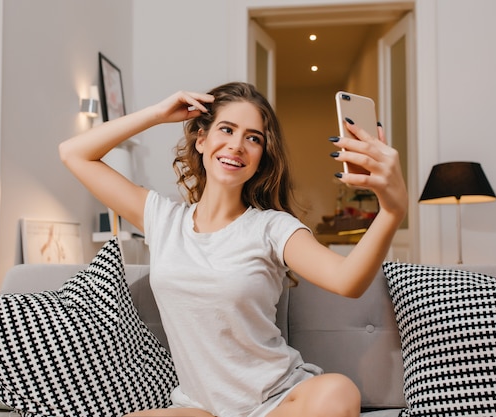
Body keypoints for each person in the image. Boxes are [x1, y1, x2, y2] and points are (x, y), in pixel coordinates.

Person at [59, 81, 407, 417]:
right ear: (201, 139)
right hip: (198, 408)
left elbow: (349, 281)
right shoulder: (161, 218)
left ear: (260, 157)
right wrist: (157, 113)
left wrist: (393, 210)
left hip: (276, 402)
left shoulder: (272, 227)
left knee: (337, 392)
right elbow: (74, 153)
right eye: (226, 129)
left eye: (252, 138)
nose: (237, 145)